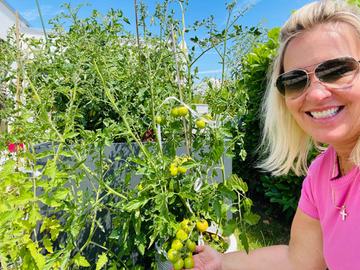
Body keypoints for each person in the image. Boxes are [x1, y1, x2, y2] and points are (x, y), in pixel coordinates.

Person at [191, 0, 360, 269]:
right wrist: (222, 261)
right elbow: (298, 259)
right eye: (294, 81)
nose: (316, 94)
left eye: (337, 70)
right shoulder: (321, 174)